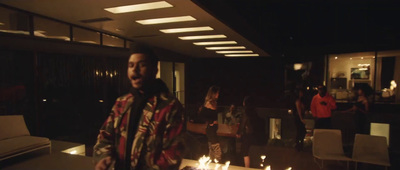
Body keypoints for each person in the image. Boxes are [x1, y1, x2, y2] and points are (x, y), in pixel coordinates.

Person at [93, 44, 185, 170]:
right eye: (131, 65)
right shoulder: (122, 103)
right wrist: (104, 157)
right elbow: (105, 137)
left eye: (142, 65)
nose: (134, 70)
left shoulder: (170, 106)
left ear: (155, 70)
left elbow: (172, 155)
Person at [236, 96, 267, 167]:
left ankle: (247, 167)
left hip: (250, 136)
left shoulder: (246, 112)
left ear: (245, 103)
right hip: (256, 136)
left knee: (244, 149)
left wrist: (238, 132)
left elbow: (242, 124)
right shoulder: (255, 112)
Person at [200, 85, 221, 162]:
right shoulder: (209, 103)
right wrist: (210, 122)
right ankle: (217, 163)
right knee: (216, 148)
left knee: (212, 148)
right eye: (217, 93)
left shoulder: (214, 102)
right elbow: (201, 115)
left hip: (213, 129)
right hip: (210, 129)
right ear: (214, 93)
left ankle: (212, 164)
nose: (218, 94)